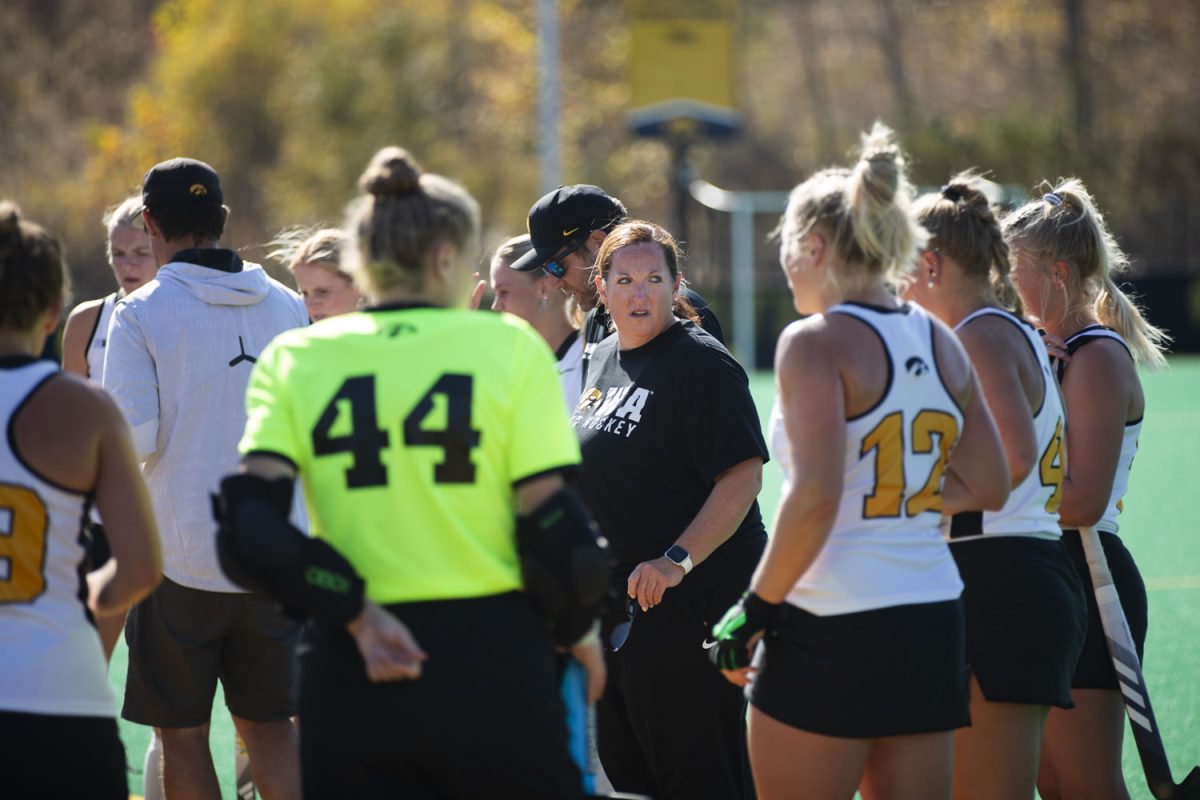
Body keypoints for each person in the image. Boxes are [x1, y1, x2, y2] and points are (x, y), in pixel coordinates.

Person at [214, 146, 609, 799]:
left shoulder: (297, 358)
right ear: (446, 259)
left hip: (354, 664)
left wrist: (356, 613)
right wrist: (577, 634)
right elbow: (562, 538)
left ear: (365, 262)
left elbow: (250, 530)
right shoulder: (508, 346)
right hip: (494, 658)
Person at [710, 124, 1010, 800]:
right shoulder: (938, 337)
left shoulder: (812, 342)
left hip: (833, 616)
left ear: (814, 247)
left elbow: (813, 496)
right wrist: (898, 496)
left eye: (789, 249)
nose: (785, 266)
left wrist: (754, 610)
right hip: (931, 614)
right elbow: (991, 482)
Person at [102, 157, 308, 800]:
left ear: (149, 221)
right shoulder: (289, 305)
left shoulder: (138, 313)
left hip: (179, 559)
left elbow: (129, 438)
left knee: (181, 733)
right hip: (274, 554)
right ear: (221, 221)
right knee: (274, 727)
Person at [904, 174, 1088, 800]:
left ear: (929, 263)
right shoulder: (994, 329)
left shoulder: (981, 334)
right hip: (997, 572)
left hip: (1003, 573)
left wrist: (901, 501)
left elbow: (1007, 463)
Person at [568, 219, 766, 799]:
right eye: (624, 279)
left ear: (676, 283)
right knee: (633, 775)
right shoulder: (602, 356)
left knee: (700, 775)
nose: (639, 293)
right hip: (623, 613)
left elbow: (742, 476)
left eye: (654, 278)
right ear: (600, 289)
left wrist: (675, 560)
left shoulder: (700, 363)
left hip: (687, 607)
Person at [1003, 180, 1170, 800]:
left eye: (1012, 271)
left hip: (1087, 574)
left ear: (1058, 273)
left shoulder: (1096, 358)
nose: (1003, 285)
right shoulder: (1032, 348)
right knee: (1048, 783)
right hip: (1038, 570)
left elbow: (1081, 502)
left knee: (1086, 785)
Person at [0, 200, 162, 799]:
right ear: (51, 313)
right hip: (58, 695)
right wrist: (89, 597)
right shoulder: (85, 411)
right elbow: (141, 566)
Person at [510, 184, 725, 370]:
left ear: (596, 242)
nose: (555, 282)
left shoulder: (681, 310)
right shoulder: (596, 317)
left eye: (557, 266)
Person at [491, 233, 584, 408]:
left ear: (544, 288)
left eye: (503, 292)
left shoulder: (591, 363)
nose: (495, 306)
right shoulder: (507, 368)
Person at [269, 226, 363, 321]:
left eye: (322, 292)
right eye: (305, 293)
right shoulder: (296, 334)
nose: (310, 304)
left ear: (358, 285)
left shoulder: (376, 332)